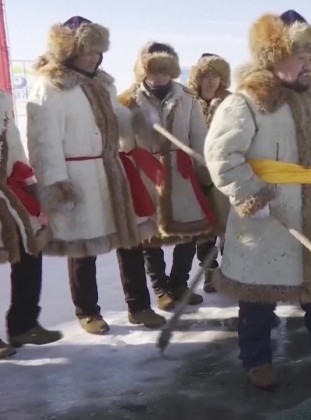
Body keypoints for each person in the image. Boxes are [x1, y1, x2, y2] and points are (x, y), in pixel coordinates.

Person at [204, 11, 311, 389]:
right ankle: (256, 360)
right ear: (275, 57)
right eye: (300, 57)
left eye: (310, 56)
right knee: (258, 293)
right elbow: (222, 157)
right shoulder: (244, 102)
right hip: (266, 216)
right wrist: (251, 196)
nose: (308, 64)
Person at [27, 16, 165, 334]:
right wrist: (57, 186)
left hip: (111, 172)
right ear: (68, 51)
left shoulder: (103, 83)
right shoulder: (50, 86)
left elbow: (119, 120)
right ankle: (87, 311)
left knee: (130, 240)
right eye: (86, 51)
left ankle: (139, 306)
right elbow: (43, 143)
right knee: (83, 247)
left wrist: (139, 121)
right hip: (76, 176)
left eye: (97, 51)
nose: (93, 57)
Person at [119, 42, 212, 311]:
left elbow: (199, 137)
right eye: (154, 71)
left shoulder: (186, 98)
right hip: (146, 174)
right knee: (151, 236)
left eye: (165, 71)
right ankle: (161, 289)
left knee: (189, 231)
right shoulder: (128, 101)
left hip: (181, 172)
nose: (160, 77)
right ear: (143, 70)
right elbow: (123, 144)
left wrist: (204, 174)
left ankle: (179, 284)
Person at [0, 91, 61, 357]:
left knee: (30, 250)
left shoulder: (2, 102)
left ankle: (23, 325)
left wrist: (25, 175)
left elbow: (13, 144)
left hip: (7, 191)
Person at [187, 52, 232, 293]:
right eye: (206, 75)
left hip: (224, 172)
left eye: (216, 75)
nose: (212, 80)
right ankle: (209, 272)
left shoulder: (232, 102)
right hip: (195, 172)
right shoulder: (187, 101)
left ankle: (230, 271)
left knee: (227, 226)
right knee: (203, 230)